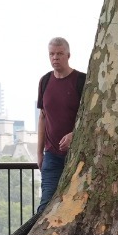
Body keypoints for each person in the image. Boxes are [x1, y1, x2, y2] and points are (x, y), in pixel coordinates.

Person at [36, 37, 86, 208]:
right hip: (52, 155)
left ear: (68, 55)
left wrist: (75, 135)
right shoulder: (45, 81)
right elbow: (42, 117)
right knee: (45, 206)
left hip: (79, 155)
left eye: (59, 54)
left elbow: (90, 119)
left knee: (77, 205)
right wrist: (39, 154)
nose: (55, 58)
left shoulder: (82, 81)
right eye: (51, 54)